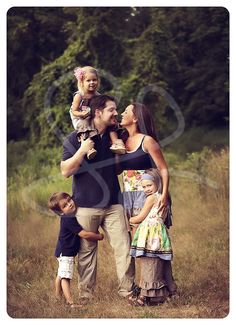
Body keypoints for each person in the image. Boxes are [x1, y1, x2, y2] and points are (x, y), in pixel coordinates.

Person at [61, 94, 136, 302]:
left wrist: (120, 154)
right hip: (85, 205)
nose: (115, 113)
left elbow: (119, 169)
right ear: (98, 112)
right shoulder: (75, 137)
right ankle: (86, 298)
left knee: (124, 248)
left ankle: (128, 292)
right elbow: (65, 171)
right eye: (111, 109)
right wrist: (82, 151)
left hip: (114, 203)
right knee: (87, 254)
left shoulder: (116, 135)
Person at [118, 103, 173, 237]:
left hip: (146, 194)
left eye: (126, 111)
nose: (121, 114)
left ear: (135, 118)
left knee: (147, 237)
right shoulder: (121, 140)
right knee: (133, 239)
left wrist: (164, 194)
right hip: (128, 194)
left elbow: (163, 168)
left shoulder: (147, 140)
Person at [128, 169, 177, 306]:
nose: (146, 189)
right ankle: (170, 292)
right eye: (143, 187)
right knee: (162, 263)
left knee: (149, 263)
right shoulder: (164, 196)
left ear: (158, 182)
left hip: (150, 236)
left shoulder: (152, 198)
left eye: (149, 185)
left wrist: (129, 219)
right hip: (159, 235)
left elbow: (140, 218)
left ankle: (144, 297)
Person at [48, 192, 104, 308]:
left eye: (69, 200)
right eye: (65, 205)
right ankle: (70, 303)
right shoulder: (68, 219)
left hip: (62, 251)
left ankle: (57, 297)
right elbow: (84, 234)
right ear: (61, 212)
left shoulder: (69, 216)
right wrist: (99, 236)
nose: (70, 204)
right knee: (65, 277)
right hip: (66, 253)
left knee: (61, 274)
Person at [70, 66, 126, 159]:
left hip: (92, 115)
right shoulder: (79, 96)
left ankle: (116, 143)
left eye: (94, 80)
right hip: (80, 117)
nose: (92, 82)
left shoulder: (97, 95)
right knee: (84, 125)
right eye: (88, 80)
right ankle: (88, 148)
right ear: (82, 82)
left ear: (98, 81)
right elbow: (74, 111)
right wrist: (82, 114)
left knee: (110, 123)